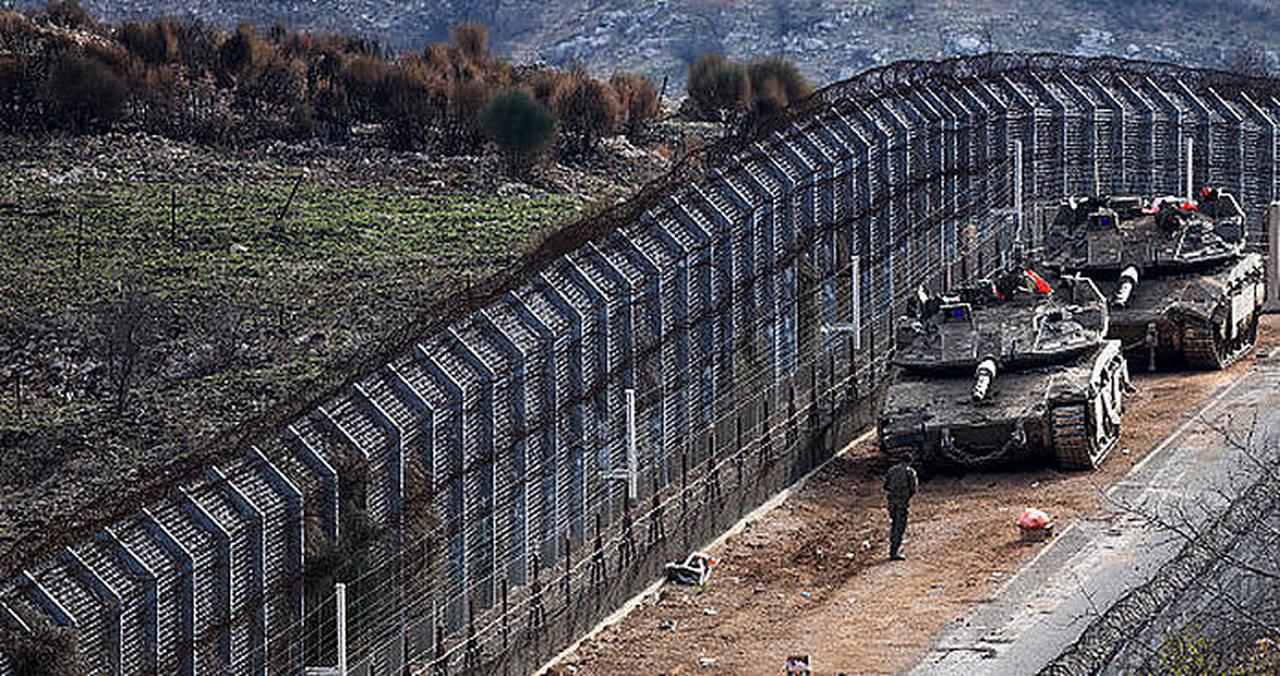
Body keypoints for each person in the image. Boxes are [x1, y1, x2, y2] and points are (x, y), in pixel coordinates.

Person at [883, 455, 919, 561]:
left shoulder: (891, 470)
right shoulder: (910, 472)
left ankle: (892, 549)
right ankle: (894, 551)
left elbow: (885, 486)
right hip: (902, 503)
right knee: (900, 526)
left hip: (891, 502)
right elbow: (913, 488)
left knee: (894, 524)